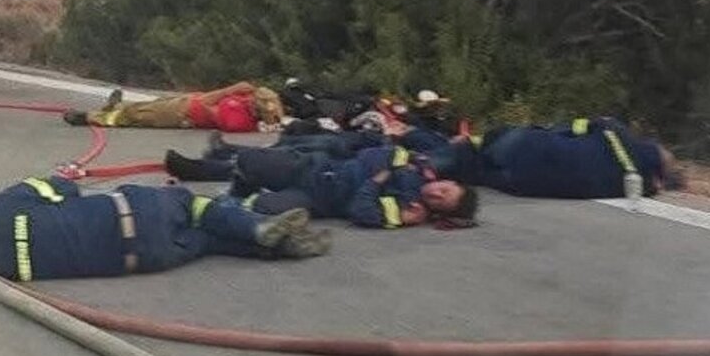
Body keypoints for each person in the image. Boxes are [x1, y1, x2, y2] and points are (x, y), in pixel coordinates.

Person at [0, 174, 330, 281]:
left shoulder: (5, 271)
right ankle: (258, 227)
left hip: (149, 258)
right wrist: (66, 178)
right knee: (195, 205)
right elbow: (62, 186)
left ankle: (281, 246)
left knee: (208, 242)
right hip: (134, 212)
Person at [168, 145, 478, 229]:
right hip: (315, 169)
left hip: (316, 199)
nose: (436, 193)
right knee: (251, 161)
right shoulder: (419, 166)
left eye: (441, 201)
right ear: (448, 181)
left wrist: (376, 180)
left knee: (261, 210)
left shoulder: (409, 210)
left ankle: (183, 202)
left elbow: (360, 210)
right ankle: (194, 169)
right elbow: (373, 154)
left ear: (437, 212)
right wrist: (385, 174)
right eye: (444, 189)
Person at [437, 117, 685, 199]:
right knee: (473, 171)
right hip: (521, 184)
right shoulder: (637, 188)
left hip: (529, 148)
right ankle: (435, 169)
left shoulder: (612, 129)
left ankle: (428, 162)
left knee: (473, 147)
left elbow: (565, 128)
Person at [62, 82, 284, 132]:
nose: (251, 97)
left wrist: (230, 89)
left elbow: (207, 104)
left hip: (181, 114)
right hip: (187, 101)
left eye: (255, 98)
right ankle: (114, 106)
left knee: (136, 115)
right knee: (143, 105)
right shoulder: (246, 103)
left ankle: (87, 118)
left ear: (257, 110)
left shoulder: (237, 122)